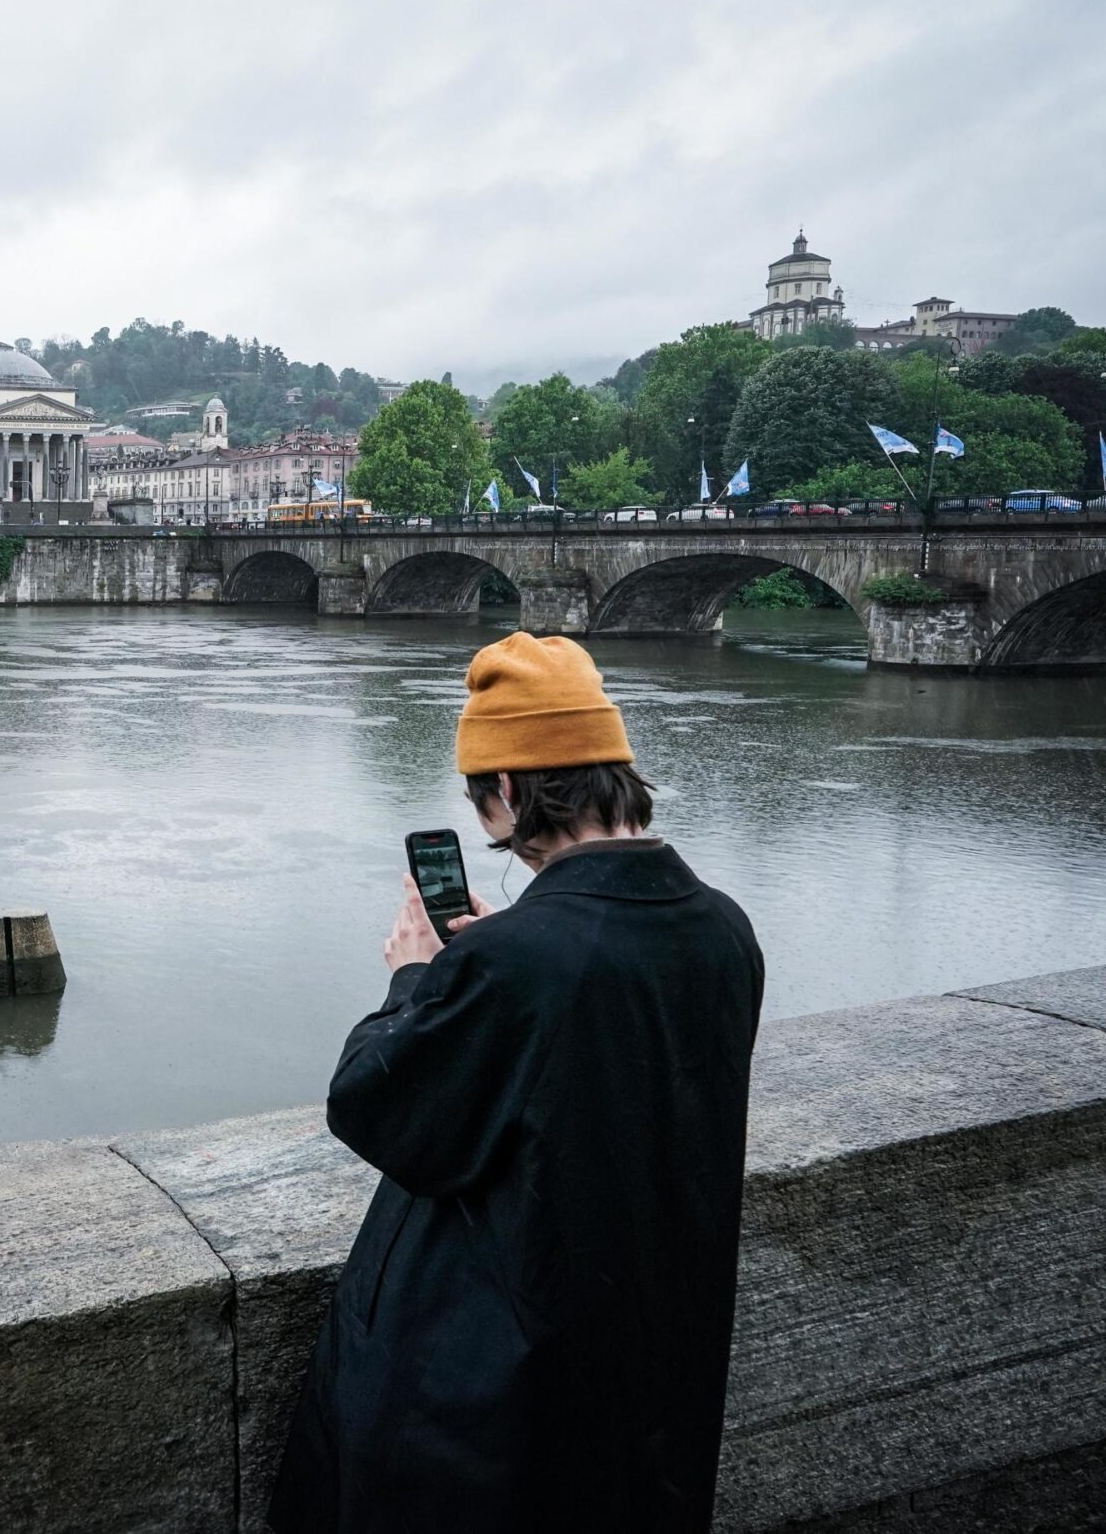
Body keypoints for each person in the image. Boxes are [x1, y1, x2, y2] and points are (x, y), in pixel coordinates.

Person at [269, 632, 765, 1533]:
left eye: (482, 799)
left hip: (486, 1407)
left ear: (506, 789)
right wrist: (499, 954)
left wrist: (418, 977)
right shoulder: (724, 928)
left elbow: (376, 1105)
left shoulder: (514, 960)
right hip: (648, 1379)